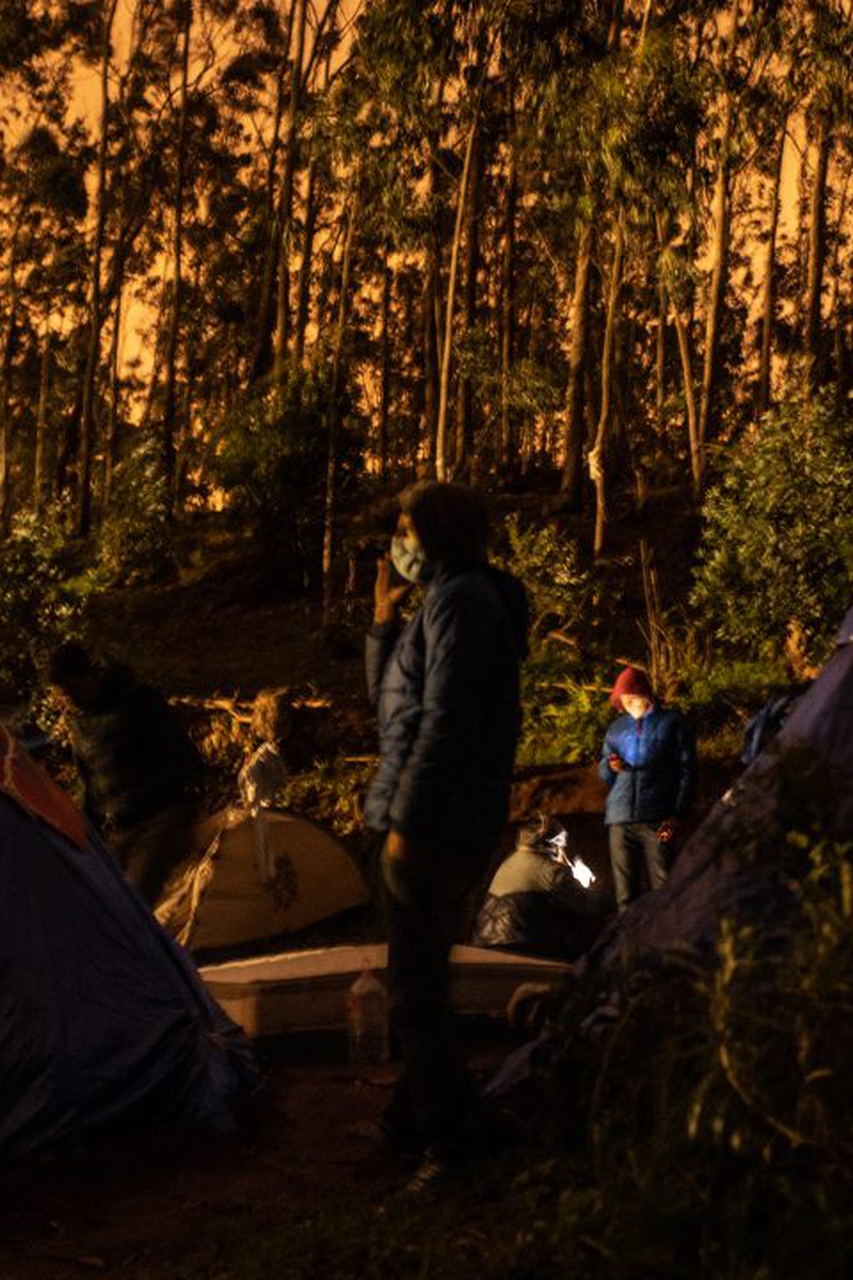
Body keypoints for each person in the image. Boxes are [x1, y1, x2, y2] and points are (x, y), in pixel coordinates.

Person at [364, 481, 529, 1177]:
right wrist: (381, 623)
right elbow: (390, 708)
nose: (397, 544)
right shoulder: (442, 603)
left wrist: (407, 821)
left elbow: (447, 722)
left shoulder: (463, 601)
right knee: (421, 978)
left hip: (433, 818)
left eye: (406, 529)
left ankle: (451, 1147)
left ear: (441, 533)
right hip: (430, 811)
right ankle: (423, 1121)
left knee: (415, 989)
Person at [48, 642, 206, 909]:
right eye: (64, 695)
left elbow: (181, 750)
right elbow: (89, 781)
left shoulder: (136, 701)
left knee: (135, 903)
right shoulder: (78, 723)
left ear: (89, 676)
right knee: (104, 907)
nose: (70, 699)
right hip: (116, 829)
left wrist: (190, 799)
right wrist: (85, 832)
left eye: (73, 690)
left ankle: (150, 949)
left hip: (159, 818)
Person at [598, 665, 697, 910]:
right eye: (624, 699)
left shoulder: (672, 722)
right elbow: (605, 772)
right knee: (625, 893)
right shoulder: (616, 729)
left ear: (645, 694)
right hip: (620, 821)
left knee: (665, 884)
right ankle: (627, 945)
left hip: (660, 820)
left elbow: (688, 769)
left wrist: (677, 813)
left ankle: (668, 940)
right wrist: (613, 768)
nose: (628, 703)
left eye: (632, 697)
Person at [471, 816, 610, 960]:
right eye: (562, 846)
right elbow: (591, 907)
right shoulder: (553, 872)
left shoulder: (509, 861)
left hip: (485, 941)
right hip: (523, 947)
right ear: (555, 845)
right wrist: (595, 889)